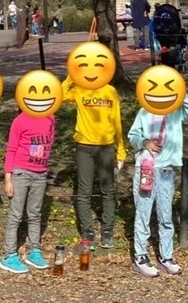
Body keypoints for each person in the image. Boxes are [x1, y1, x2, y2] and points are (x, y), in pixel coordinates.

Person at [128, 94, 188, 277]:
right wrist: (144, 142)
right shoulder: (143, 112)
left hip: (166, 170)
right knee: (143, 213)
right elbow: (132, 135)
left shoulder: (175, 112)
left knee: (166, 216)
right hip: (146, 169)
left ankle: (166, 256)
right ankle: (140, 256)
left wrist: (180, 89)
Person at [61, 75, 126, 248]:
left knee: (108, 190)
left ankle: (107, 231)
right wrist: (71, 75)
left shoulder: (110, 91)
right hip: (84, 146)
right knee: (84, 191)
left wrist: (120, 149)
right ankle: (87, 232)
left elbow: (117, 121)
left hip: (106, 146)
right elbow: (58, 96)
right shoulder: (79, 89)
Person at [0, 106, 56, 273]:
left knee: (35, 213)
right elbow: (11, 149)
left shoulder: (50, 118)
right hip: (21, 172)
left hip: (40, 174)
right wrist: (8, 178)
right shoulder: (20, 120)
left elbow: (50, 141)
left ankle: (34, 251)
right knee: (16, 214)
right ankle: (9, 255)